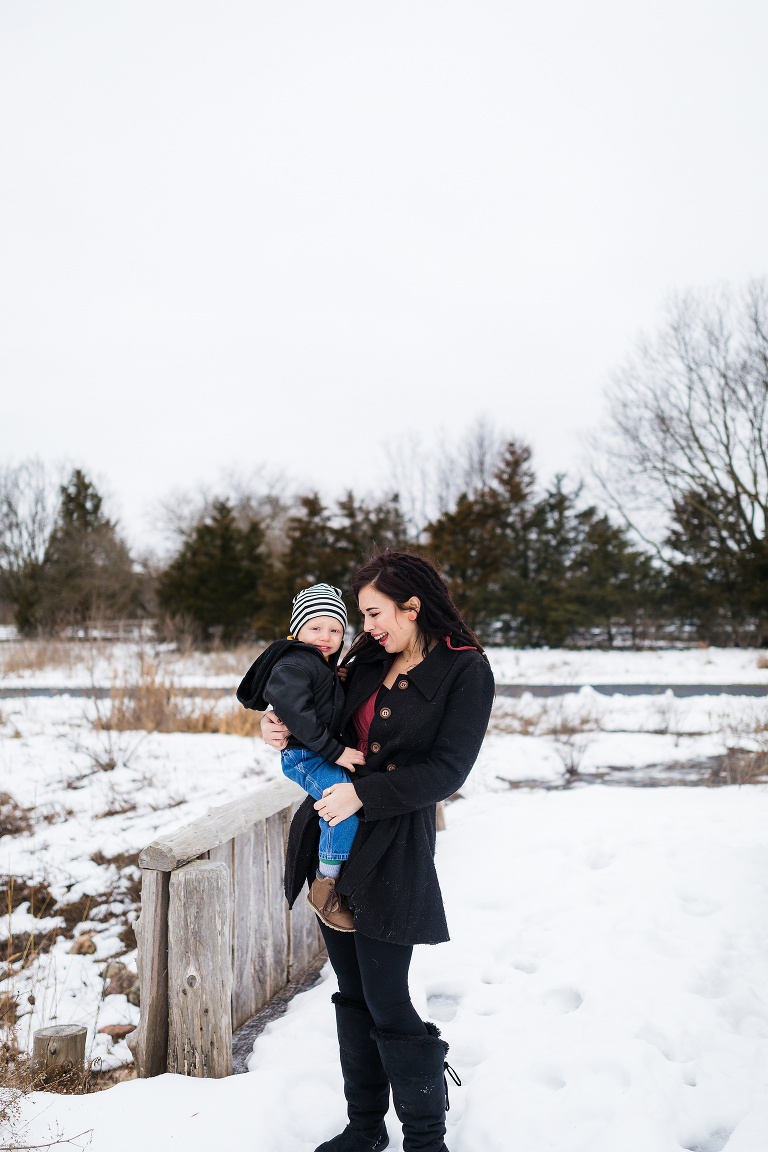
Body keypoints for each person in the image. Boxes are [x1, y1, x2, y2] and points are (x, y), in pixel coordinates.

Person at [261, 551, 495, 1152]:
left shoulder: (465, 670)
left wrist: (363, 794)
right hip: (330, 842)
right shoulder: (367, 656)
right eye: (361, 616)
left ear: (412, 607)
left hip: (393, 847)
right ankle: (365, 1128)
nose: (364, 629)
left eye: (374, 613)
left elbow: (448, 770)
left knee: (388, 996)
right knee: (351, 992)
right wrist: (276, 724)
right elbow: (317, 709)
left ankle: (424, 1139)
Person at [237, 582, 364, 931]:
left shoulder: (317, 664)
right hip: (306, 757)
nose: (326, 635)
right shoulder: (293, 664)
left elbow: (320, 703)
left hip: (316, 752)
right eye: (316, 627)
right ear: (296, 630)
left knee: (345, 805)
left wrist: (335, 679)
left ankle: (336, 875)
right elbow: (299, 716)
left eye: (335, 629)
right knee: (341, 811)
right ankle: (327, 887)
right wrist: (336, 751)